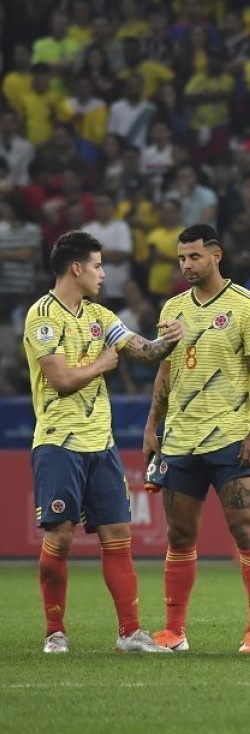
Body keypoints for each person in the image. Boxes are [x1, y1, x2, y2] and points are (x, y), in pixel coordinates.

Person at [26, 231, 184, 654]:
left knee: (117, 533)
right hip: (59, 442)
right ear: (76, 268)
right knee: (59, 536)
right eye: (97, 265)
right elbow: (59, 381)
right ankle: (54, 633)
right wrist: (101, 363)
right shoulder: (43, 317)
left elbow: (146, 352)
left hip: (101, 444)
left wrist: (171, 338)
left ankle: (130, 633)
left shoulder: (100, 315)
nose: (103, 272)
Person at [141, 225, 250, 653]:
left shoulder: (246, 306)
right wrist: (151, 426)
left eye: (194, 257)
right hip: (180, 440)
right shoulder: (173, 307)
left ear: (216, 255)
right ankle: (174, 631)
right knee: (179, 536)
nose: (186, 265)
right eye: (181, 258)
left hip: (231, 438)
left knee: (245, 529)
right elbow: (164, 370)